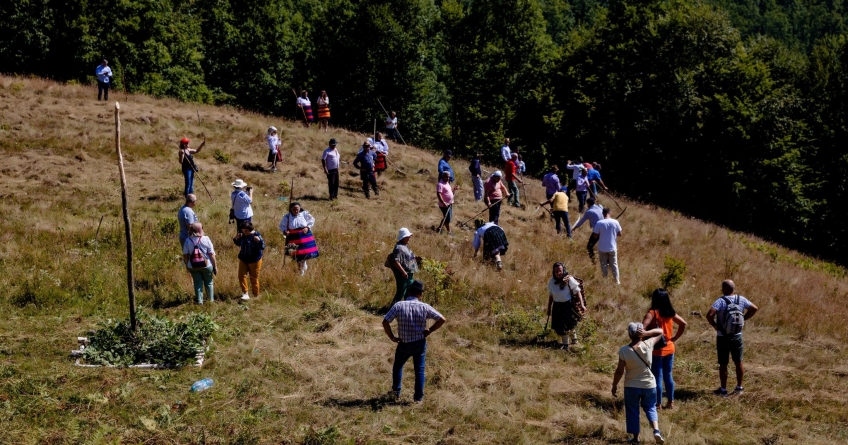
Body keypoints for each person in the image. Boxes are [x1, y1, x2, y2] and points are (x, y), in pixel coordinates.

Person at [382, 280, 446, 403]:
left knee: (398, 367)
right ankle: (418, 398)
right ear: (420, 294)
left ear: (409, 291)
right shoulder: (424, 307)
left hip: (404, 343)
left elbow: (385, 322)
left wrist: (392, 337)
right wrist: (430, 330)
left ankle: (396, 393)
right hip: (419, 343)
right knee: (419, 371)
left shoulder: (399, 306)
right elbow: (442, 319)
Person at [611, 323, 667, 444]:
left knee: (633, 411)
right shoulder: (648, 344)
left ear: (629, 335)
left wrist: (614, 385)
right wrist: (647, 333)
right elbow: (661, 331)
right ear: (641, 334)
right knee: (651, 407)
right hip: (649, 385)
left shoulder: (624, 351)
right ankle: (656, 430)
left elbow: (619, 371)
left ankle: (636, 439)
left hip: (631, 385)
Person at [706, 280, 759, 397]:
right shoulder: (742, 300)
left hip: (723, 337)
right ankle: (739, 388)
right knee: (738, 361)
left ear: (723, 289)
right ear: (734, 288)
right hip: (737, 336)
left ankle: (723, 390)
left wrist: (715, 326)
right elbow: (754, 308)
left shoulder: (720, 301)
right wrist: (744, 319)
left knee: (723, 364)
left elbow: (709, 315)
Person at [642, 289, 688, 410]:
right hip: (669, 347)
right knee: (668, 375)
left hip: (656, 349)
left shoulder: (652, 313)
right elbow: (683, 324)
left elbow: (642, 328)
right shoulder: (670, 312)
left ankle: (658, 404)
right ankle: (671, 402)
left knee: (657, 377)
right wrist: (675, 338)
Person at [546, 262, 586, 350]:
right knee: (561, 326)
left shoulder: (569, 279)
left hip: (568, 305)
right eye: (556, 271)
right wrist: (549, 308)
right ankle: (567, 343)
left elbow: (577, 291)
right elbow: (551, 296)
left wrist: (582, 305)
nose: (558, 273)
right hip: (557, 306)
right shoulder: (552, 281)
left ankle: (568, 344)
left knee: (569, 324)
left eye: (560, 270)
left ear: (563, 270)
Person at [279, 202, 319, 275]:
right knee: (297, 255)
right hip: (293, 237)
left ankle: (303, 263)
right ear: (291, 209)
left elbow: (312, 220)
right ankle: (301, 271)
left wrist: (307, 227)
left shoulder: (304, 214)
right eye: (294, 209)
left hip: (304, 236)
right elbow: (282, 226)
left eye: (297, 209)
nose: (296, 211)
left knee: (305, 253)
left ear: (300, 208)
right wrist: (285, 231)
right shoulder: (287, 217)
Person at [182, 222, 217, 305]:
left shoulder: (187, 240)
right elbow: (212, 254)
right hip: (207, 265)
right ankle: (211, 301)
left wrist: (187, 265)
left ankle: (200, 301)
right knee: (209, 282)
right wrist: (215, 266)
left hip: (193, 266)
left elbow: (185, 255)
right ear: (201, 229)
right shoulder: (206, 239)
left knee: (197, 282)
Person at [233, 221, 265, 301]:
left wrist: (259, 241)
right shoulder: (242, 235)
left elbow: (263, 246)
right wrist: (236, 238)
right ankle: (245, 293)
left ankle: (256, 295)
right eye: (243, 231)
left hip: (255, 260)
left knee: (253, 278)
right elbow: (238, 243)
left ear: (250, 229)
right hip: (243, 259)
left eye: (246, 231)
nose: (244, 232)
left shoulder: (256, 235)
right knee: (241, 276)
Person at [389, 228, 421, 304]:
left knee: (409, 293)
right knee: (401, 293)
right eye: (407, 237)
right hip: (403, 275)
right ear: (403, 237)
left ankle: (407, 310)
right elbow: (396, 261)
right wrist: (403, 272)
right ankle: (392, 310)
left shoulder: (405, 246)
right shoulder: (398, 247)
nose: (409, 238)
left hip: (409, 274)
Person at [592, 208, 622, 284]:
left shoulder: (599, 223)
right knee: (614, 264)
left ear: (603, 213)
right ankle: (617, 281)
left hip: (602, 248)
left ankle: (605, 280)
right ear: (610, 213)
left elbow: (595, 235)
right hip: (612, 247)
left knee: (603, 264)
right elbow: (620, 234)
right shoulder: (615, 222)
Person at [572, 197, 603, 262]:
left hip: (597, 231)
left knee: (589, 246)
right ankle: (607, 262)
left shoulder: (589, 211)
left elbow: (582, 221)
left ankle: (593, 261)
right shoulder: (600, 207)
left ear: (588, 204)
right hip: (605, 230)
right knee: (604, 247)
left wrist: (575, 227)